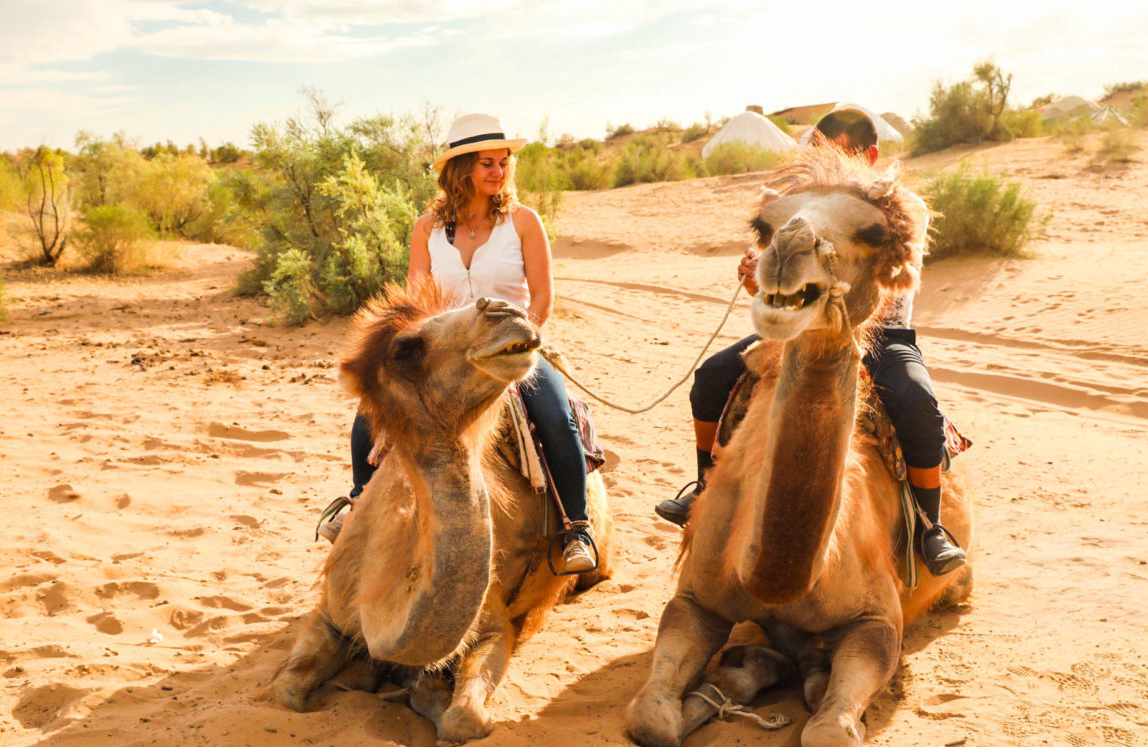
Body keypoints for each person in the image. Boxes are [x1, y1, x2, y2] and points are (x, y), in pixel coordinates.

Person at [654, 107, 966, 576]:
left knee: (916, 400)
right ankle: (703, 490)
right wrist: (758, 281)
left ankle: (930, 524)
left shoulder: (902, 209)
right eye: (817, 153)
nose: (827, 165)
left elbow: (896, 285)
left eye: (836, 152)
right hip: (806, 328)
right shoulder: (807, 205)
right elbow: (781, 283)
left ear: (870, 154)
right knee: (712, 377)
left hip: (879, 332)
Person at [319, 113, 598, 572]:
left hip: (512, 349)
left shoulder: (524, 222)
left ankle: (578, 528)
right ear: (460, 169)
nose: (498, 171)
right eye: (486, 162)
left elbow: (543, 299)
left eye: (503, 162)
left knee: (554, 414)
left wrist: (516, 346)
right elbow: (415, 300)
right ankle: (358, 505)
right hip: (445, 350)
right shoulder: (426, 228)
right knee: (373, 407)